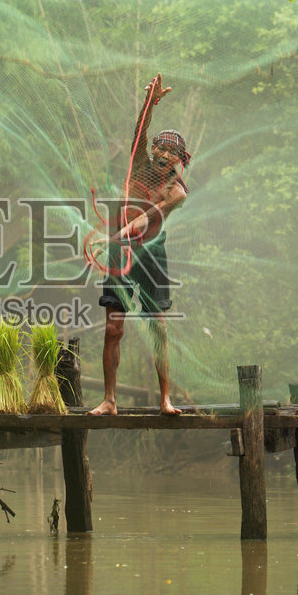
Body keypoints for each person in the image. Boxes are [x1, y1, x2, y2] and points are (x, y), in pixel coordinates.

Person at [88, 128, 190, 416]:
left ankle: (165, 400)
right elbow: (140, 132)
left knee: (159, 327)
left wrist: (114, 236)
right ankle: (109, 400)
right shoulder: (139, 166)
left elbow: (144, 220)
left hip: (151, 253)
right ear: (153, 150)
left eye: (172, 153)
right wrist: (149, 105)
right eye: (161, 149)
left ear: (179, 160)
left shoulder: (176, 192)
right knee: (113, 328)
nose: (165, 155)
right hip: (119, 253)